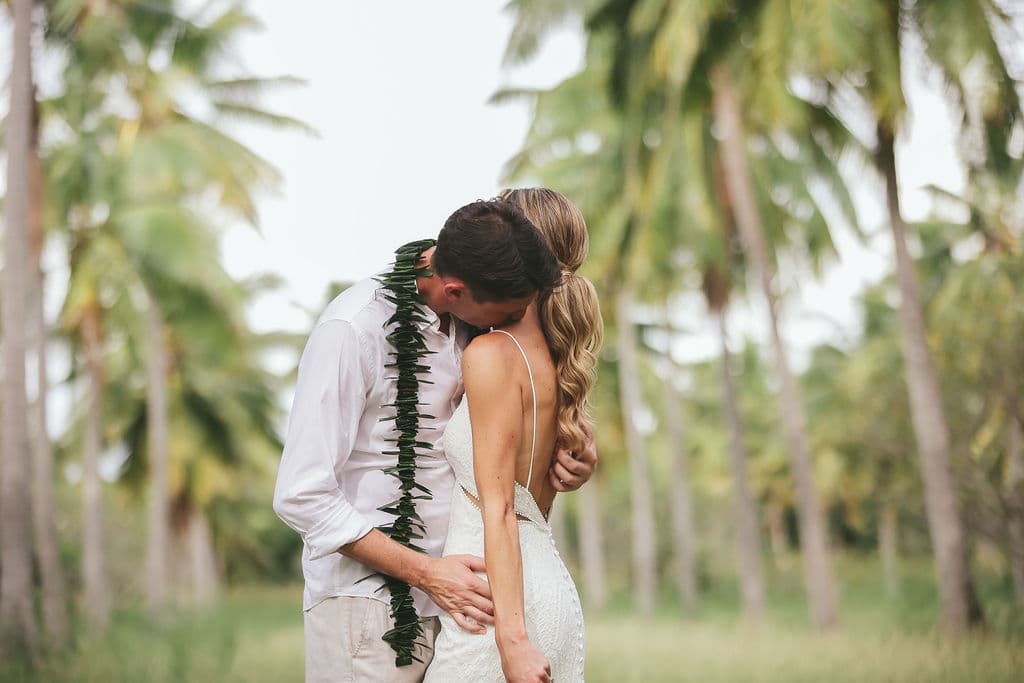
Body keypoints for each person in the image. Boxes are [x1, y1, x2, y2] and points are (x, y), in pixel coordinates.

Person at [272, 199, 598, 682]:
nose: (515, 320)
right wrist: (425, 573)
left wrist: (578, 449)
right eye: (510, 311)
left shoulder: (477, 316)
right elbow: (302, 494)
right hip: (371, 606)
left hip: (462, 607)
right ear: (455, 290)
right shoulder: (352, 329)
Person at [424, 188, 603, 683]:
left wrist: (512, 641)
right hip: (543, 588)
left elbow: (498, 509)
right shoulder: (556, 361)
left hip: (496, 604)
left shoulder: (492, 356)